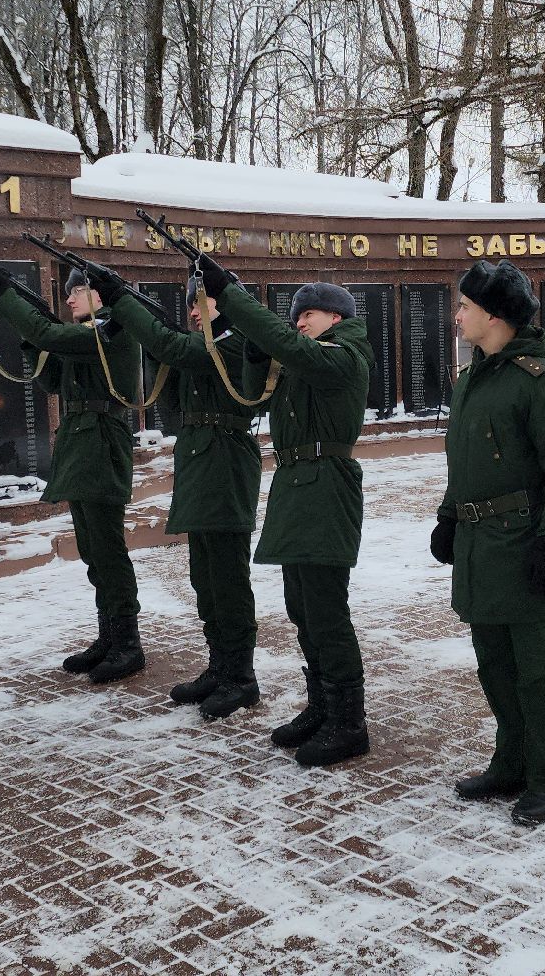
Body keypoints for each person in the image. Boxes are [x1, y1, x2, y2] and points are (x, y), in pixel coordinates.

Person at [179, 250, 373, 767]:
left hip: (326, 485)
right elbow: (251, 395)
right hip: (294, 485)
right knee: (300, 606)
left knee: (327, 611)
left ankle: (349, 722)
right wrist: (258, 352)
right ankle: (321, 706)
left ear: (337, 318)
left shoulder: (345, 356)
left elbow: (293, 348)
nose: (299, 322)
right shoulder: (303, 360)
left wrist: (232, 298)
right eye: (296, 316)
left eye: (308, 314)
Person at [431, 259, 545, 827]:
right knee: (494, 665)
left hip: (525, 544)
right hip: (479, 546)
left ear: (494, 316)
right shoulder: (474, 378)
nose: (456, 316)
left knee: (538, 669)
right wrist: (450, 516)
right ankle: (511, 762)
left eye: (465, 307)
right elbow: (464, 463)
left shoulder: (542, 381)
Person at [89, 268, 265, 718]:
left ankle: (241, 677)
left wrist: (123, 303)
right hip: (198, 465)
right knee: (204, 576)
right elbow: (172, 401)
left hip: (225, 465)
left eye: (199, 302)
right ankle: (219, 667)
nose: (191, 310)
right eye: (188, 303)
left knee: (227, 577)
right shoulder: (198, 348)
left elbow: (180, 350)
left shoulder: (232, 342)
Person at [0, 254, 147, 684]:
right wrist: (34, 342)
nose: (68, 298)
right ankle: (109, 637)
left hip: (102, 442)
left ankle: (128, 643)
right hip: (80, 441)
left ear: (100, 294)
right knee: (91, 547)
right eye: (67, 291)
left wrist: (10, 298)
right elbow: (51, 382)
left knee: (107, 548)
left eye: (76, 290)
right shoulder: (84, 334)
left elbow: (52, 333)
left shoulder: (114, 329)